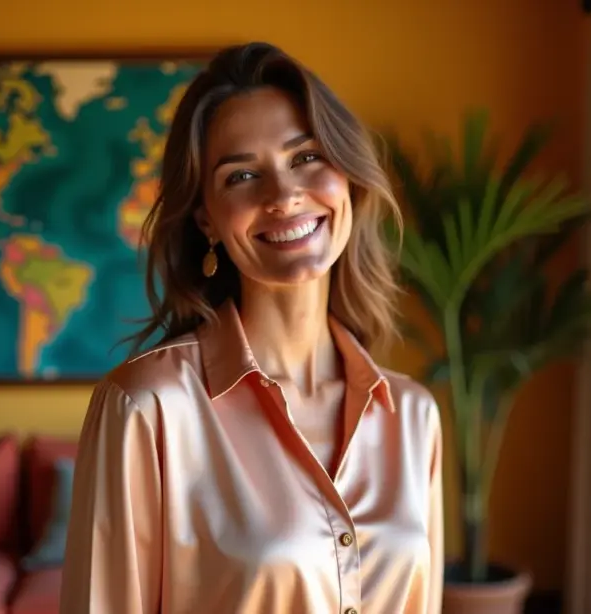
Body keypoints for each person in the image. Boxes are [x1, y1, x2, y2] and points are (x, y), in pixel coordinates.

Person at [59, 41, 444, 614]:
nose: (284, 196)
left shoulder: (412, 416)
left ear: (349, 180)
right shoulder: (147, 409)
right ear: (207, 219)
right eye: (241, 175)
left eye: (307, 156)